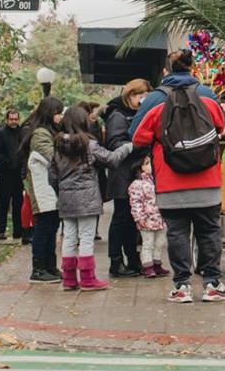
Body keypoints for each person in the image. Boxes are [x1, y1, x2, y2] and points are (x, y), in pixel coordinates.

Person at [130, 48, 225, 304]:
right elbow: (221, 126)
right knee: (209, 232)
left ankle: (182, 286)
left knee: (176, 233)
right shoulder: (208, 99)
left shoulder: (155, 103)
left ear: (166, 71)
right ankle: (212, 284)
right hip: (207, 180)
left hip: (169, 182)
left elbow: (137, 137)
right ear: (192, 69)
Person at [47, 104, 134, 290]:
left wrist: (61, 191)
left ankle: (69, 279)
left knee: (69, 237)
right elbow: (111, 159)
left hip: (66, 198)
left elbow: (52, 176)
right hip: (87, 198)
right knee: (86, 237)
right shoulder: (89, 144)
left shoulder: (58, 146)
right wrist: (128, 147)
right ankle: (87, 278)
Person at [101, 79, 148, 277]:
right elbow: (114, 143)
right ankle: (116, 261)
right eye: (140, 95)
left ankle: (132, 259)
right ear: (131, 95)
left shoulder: (136, 114)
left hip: (134, 173)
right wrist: (138, 145)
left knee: (131, 219)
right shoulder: (118, 115)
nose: (143, 99)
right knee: (121, 218)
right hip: (122, 174)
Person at [21, 96, 64, 282]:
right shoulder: (40, 134)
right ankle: (38, 269)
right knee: (44, 227)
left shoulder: (50, 131)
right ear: (49, 113)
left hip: (50, 187)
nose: (60, 116)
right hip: (42, 188)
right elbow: (52, 157)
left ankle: (50, 266)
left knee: (52, 226)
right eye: (57, 112)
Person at [0, 108, 28, 240]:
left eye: (16, 119)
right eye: (11, 119)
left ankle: (18, 230)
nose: (13, 122)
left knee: (19, 203)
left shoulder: (21, 133)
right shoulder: (0, 134)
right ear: (7, 120)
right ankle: (0, 230)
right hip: (6, 172)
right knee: (3, 203)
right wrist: (6, 162)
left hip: (18, 173)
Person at [128, 154, 165, 278]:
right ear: (140, 167)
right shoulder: (137, 184)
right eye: (147, 163)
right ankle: (147, 266)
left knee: (160, 242)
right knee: (148, 243)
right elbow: (135, 203)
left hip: (159, 218)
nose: (150, 166)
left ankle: (157, 263)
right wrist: (139, 218)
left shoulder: (154, 179)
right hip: (147, 219)